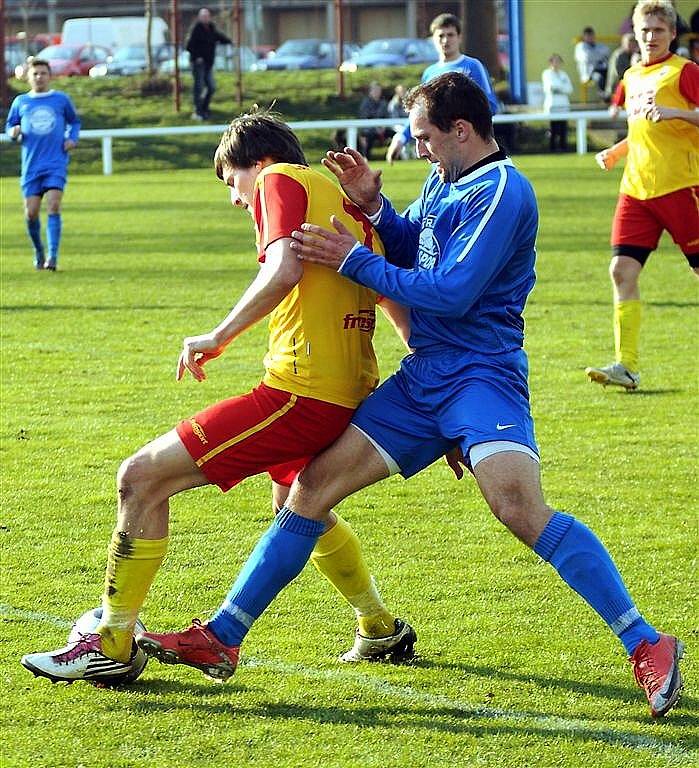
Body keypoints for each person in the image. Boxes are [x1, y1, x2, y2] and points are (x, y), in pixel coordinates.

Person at [137, 72, 683, 719]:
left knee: (516, 507)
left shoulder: (505, 190)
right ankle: (222, 639)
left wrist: (351, 258)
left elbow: (450, 291)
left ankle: (645, 642)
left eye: (423, 136)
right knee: (309, 489)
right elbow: (411, 251)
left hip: (481, 375)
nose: (415, 147)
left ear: (461, 131)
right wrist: (374, 209)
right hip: (425, 377)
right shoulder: (442, 179)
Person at [20, 111, 417, 685]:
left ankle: (108, 641)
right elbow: (396, 306)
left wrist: (216, 336)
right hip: (344, 392)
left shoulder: (281, 178)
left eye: (232, 182)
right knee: (299, 504)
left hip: (301, 393)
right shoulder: (351, 210)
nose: (236, 200)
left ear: (256, 163)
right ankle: (378, 626)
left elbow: (281, 271)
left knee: (141, 477)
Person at [586, 0, 699, 390]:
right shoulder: (632, 76)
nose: (651, 37)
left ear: (672, 34)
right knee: (621, 271)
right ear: (635, 33)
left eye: (659, 30)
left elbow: (674, 118)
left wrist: (676, 113)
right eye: (645, 30)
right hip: (637, 191)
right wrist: (617, 152)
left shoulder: (684, 72)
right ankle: (627, 365)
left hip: (681, 186)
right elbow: (641, 131)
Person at [385, 12, 498, 163]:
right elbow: (420, 113)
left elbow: (490, 106)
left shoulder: (472, 66)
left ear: (459, 37)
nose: (445, 40)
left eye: (450, 35)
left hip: (468, 152)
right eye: (440, 36)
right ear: (433, 39)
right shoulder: (430, 73)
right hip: (438, 151)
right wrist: (401, 138)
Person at [5, 58, 80, 271]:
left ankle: (53, 257)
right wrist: (13, 132)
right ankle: (39, 251)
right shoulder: (21, 102)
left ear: (50, 76)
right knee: (31, 213)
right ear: (29, 76)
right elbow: (11, 125)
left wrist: (72, 138)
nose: (39, 77)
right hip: (31, 165)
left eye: (43, 73)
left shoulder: (60, 99)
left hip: (55, 162)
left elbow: (74, 121)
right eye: (35, 73)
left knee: (54, 205)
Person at [185, 8, 232, 121]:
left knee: (211, 87)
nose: (206, 18)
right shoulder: (196, 29)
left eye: (207, 16)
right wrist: (197, 57)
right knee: (199, 87)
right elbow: (189, 46)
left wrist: (229, 41)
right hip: (198, 64)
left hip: (209, 63)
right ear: (200, 17)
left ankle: (205, 108)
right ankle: (198, 111)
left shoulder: (211, 28)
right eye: (203, 16)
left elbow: (219, 37)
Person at [541, 54, 573, 151]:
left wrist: (559, 88)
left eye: (559, 61)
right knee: (553, 128)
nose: (557, 63)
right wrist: (561, 87)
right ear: (550, 62)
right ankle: (552, 148)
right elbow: (550, 87)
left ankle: (563, 148)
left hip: (564, 104)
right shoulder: (546, 73)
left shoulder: (564, 74)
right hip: (553, 104)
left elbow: (570, 89)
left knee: (563, 128)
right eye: (555, 61)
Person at [574, 26, 610, 96]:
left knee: (611, 74)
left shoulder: (599, 45)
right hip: (589, 72)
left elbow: (607, 51)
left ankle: (609, 94)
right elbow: (586, 57)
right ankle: (603, 95)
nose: (590, 37)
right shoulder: (580, 46)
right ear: (584, 37)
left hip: (602, 68)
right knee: (599, 77)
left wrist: (594, 55)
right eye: (588, 36)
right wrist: (598, 55)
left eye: (591, 35)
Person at [358, 81, 390, 158]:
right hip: (369, 130)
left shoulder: (383, 103)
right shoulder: (365, 103)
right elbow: (365, 117)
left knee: (395, 134)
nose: (377, 92)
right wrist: (376, 128)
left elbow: (387, 117)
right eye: (375, 90)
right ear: (370, 92)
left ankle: (396, 156)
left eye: (379, 91)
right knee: (369, 137)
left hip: (382, 129)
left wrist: (383, 127)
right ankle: (366, 158)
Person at [604, 32, 640, 100]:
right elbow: (617, 74)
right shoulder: (619, 55)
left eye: (633, 43)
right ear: (623, 44)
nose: (631, 46)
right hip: (618, 86)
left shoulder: (637, 54)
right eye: (629, 43)